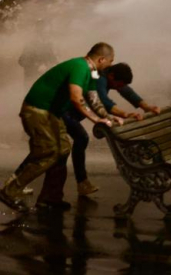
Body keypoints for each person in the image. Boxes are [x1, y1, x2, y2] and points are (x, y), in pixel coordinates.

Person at [0, 43, 118, 212]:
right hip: (38, 110)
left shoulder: (91, 72)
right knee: (49, 152)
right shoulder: (80, 67)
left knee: (62, 150)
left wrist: (107, 117)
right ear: (101, 59)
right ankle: (10, 191)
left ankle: (50, 199)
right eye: (110, 61)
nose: (110, 66)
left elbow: (93, 98)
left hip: (51, 113)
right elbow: (76, 98)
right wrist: (96, 120)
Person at [63, 63, 160, 196]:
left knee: (64, 145)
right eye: (118, 84)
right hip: (63, 113)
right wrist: (125, 114)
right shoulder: (99, 78)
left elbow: (127, 91)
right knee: (78, 139)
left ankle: (81, 183)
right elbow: (103, 101)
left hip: (70, 115)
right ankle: (81, 183)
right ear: (112, 76)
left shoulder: (109, 76)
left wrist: (146, 107)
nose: (119, 88)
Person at [18, 19, 58, 87]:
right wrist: (37, 66)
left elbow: (55, 61)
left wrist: (48, 66)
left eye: (48, 32)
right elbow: (22, 61)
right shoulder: (31, 44)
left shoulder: (50, 45)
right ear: (38, 32)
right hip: (33, 82)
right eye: (44, 32)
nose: (47, 34)